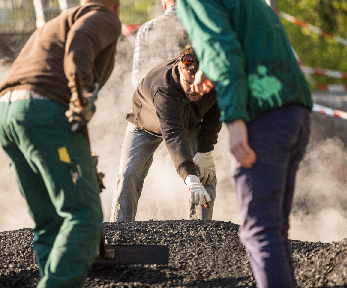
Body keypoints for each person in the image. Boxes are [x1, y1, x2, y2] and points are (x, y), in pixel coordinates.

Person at [176, 1, 313, 287]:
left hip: (263, 116)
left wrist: (236, 121)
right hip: (294, 110)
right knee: (274, 231)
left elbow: (222, 50)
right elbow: (247, 40)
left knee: (259, 231)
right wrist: (207, 68)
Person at [0, 1, 121, 287]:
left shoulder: (58, 23)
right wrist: (81, 96)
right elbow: (79, 46)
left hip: (7, 115)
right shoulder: (103, 15)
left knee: (49, 219)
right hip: (42, 114)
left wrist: (81, 152)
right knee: (84, 215)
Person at [110, 45, 222, 222]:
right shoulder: (164, 88)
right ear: (180, 69)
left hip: (190, 122)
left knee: (206, 172)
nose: (193, 89)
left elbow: (214, 116)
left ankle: (201, 230)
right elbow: (173, 134)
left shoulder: (214, 80)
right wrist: (189, 178)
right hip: (146, 121)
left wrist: (204, 151)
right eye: (188, 83)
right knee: (129, 173)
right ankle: (120, 228)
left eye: (198, 84)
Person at [131, 0, 190, 88]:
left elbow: (138, 75)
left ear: (164, 3)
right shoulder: (201, 25)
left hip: (160, 95)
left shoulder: (148, 28)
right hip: (196, 94)